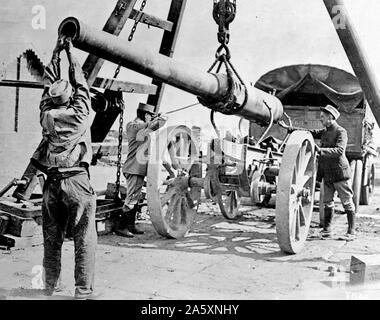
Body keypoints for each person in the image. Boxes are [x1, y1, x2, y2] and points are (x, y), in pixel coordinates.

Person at [30, 36, 99, 299]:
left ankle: (50, 287)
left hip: (51, 184)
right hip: (76, 182)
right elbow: (81, 83)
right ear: (71, 99)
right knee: (84, 238)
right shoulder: (80, 115)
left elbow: (48, 87)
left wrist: (56, 52)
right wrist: (71, 54)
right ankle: (82, 292)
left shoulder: (45, 116)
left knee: (51, 237)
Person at [288, 104, 356, 240]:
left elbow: (340, 151)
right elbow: (310, 132)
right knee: (327, 203)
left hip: (339, 174)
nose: (321, 120)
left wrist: (321, 150)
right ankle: (327, 230)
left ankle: (351, 232)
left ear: (330, 118)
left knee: (347, 202)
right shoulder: (325, 131)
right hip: (327, 174)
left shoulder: (341, 131)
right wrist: (291, 130)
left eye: (322, 117)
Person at [116, 103, 167, 237]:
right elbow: (157, 124)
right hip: (134, 169)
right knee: (131, 198)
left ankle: (131, 226)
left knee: (135, 198)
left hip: (136, 168)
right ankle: (121, 227)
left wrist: (156, 118)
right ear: (145, 115)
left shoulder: (141, 128)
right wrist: (161, 118)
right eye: (150, 116)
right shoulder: (134, 126)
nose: (151, 119)